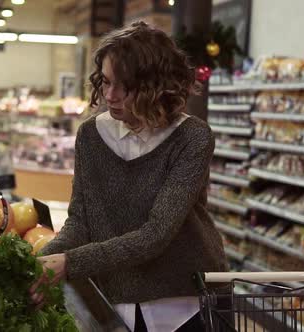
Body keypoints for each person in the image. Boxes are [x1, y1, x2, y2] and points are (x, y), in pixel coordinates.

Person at [31, 21, 228, 332]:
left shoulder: (192, 138)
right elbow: (82, 221)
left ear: (156, 85)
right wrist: (37, 264)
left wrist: (70, 263)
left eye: (125, 86)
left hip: (184, 303)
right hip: (114, 302)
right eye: (106, 82)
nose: (110, 95)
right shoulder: (91, 135)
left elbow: (156, 234)